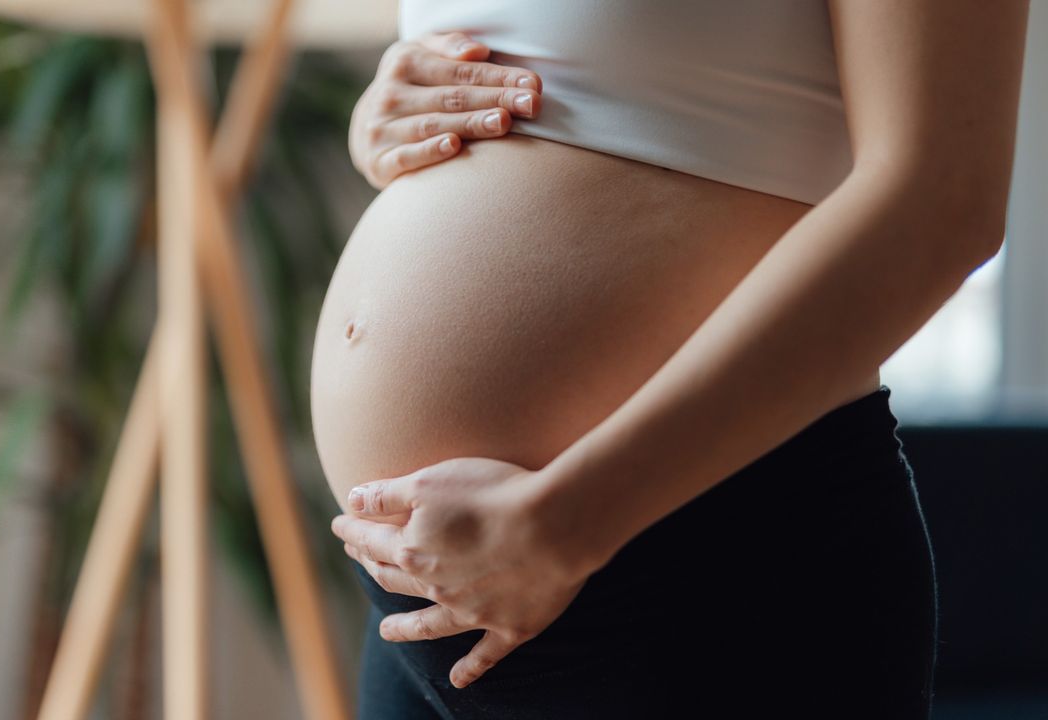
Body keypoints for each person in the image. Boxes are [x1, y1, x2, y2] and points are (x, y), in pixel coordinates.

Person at [311, 1, 1030, 717]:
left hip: (695, 573)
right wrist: (382, 119)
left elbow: (942, 199)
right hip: (430, 601)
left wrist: (567, 523)